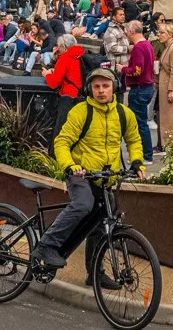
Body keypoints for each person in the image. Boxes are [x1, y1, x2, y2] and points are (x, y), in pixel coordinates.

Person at [32, 67, 146, 280]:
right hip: (80, 173)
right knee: (83, 204)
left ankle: (95, 273)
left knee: (101, 222)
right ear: (89, 89)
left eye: (106, 86)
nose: (101, 91)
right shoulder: (80, 112)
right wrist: (70, 165)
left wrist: (137, 162)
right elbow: (62, 141)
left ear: (115, 88)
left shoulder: (124, 114)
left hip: (104, 178)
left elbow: (133, 139)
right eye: (96, 87)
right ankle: (47, 245)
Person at [121, 21, 157, 163]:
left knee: (139, 123)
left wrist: (123, 69)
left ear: (131, 32)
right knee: (141, 122)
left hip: (139, 88)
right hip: (148, 86)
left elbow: (137, 70)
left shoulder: (138, 48)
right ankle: (144, 154)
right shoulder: (148, 45)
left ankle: (145, 155)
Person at [42, 34, 87, 113]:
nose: (58, 48)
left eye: (59, 46)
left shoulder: (65, 58)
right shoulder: (79, 54)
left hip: (67, 96)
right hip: (79, 92)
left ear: (63, 46)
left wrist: (46, 74)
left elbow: (54, 83)